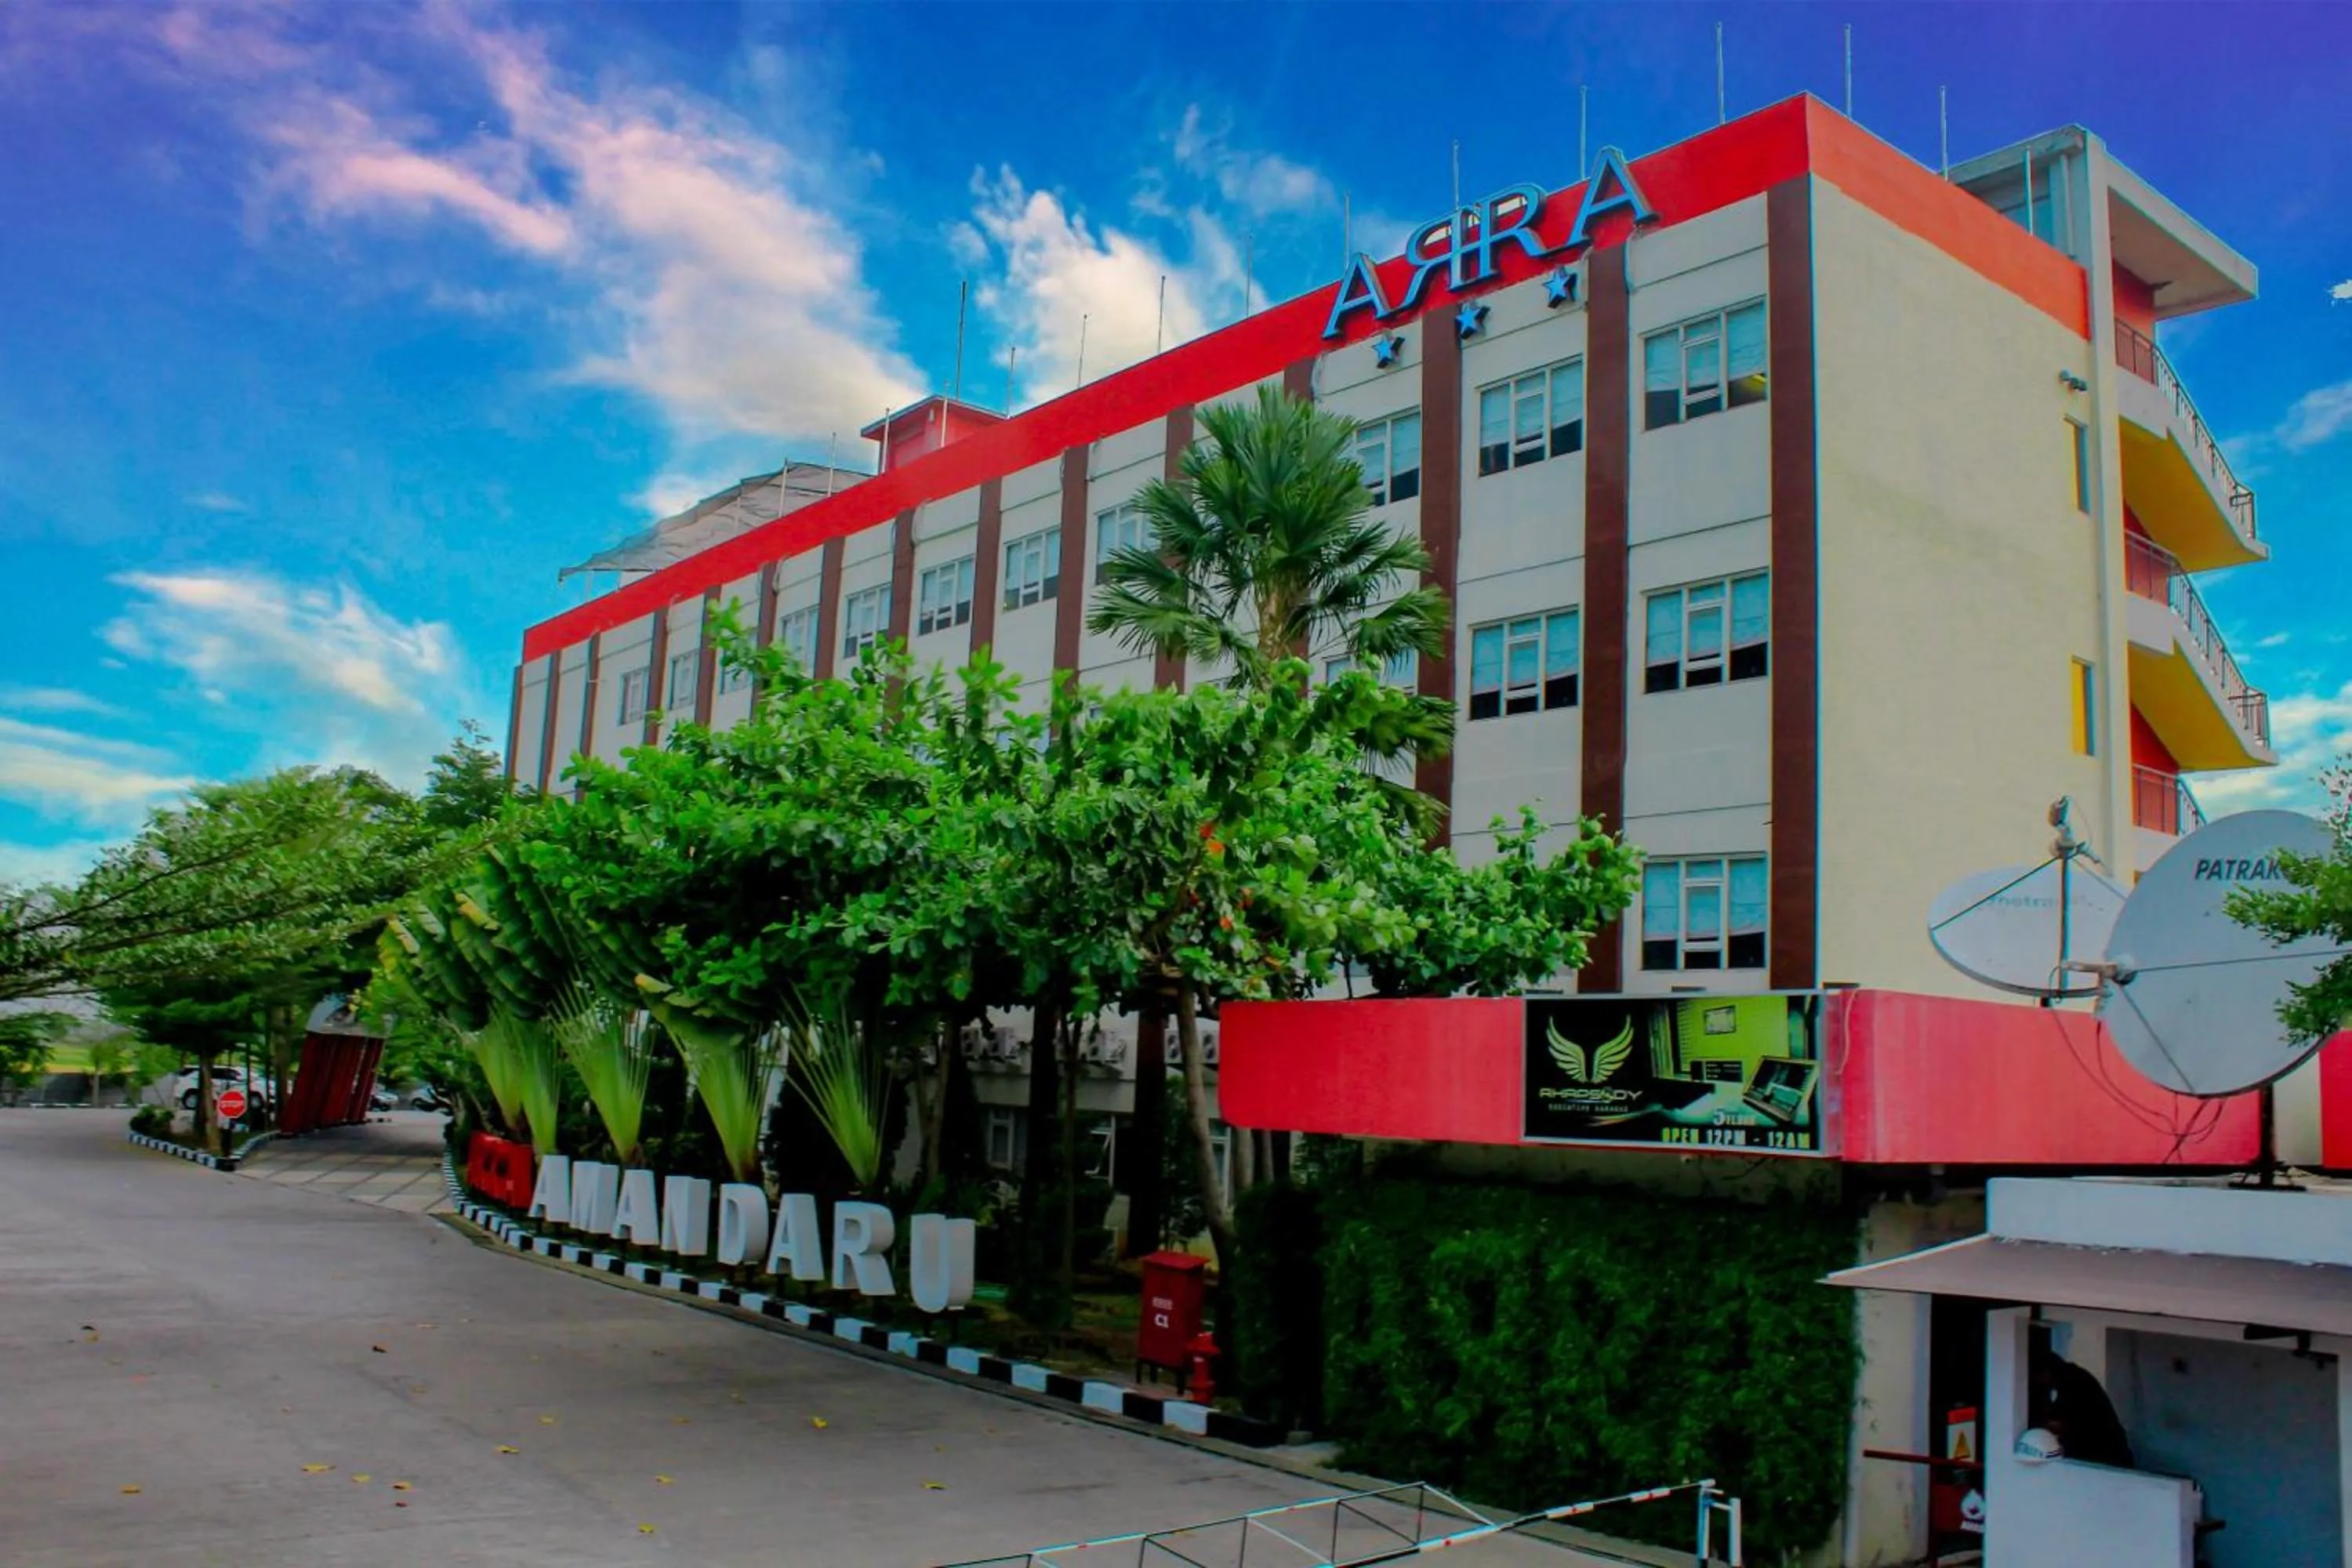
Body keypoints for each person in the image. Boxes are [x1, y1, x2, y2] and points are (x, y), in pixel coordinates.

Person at [2028, 1341, 2135, 1468]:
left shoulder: (2074, 1381)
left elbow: (2060, 1422)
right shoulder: (2073, 1378)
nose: (2039, 1382)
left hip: (2107, 1457)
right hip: (2102, 1455)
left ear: (2046, 1371)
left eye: (2038, 1376)